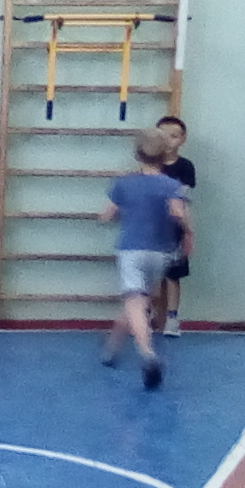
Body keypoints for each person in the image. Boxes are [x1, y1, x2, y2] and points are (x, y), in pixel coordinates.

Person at [100, 127, 193, 390]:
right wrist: (188, 233)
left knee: (135, 301)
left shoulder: (125, 183)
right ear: (164, 155)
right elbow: (178, 214)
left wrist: (108, 217)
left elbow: (108, 214)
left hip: (132, 250)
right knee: (138, 302)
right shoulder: (172, 185)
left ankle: (147, 353)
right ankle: (111, 350)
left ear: (137, 154)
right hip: (160, 252)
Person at [155, 116, 196, 338]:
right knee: (149, 274)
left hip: (174, 229)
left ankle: (172, 318)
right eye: (162, 135)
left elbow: (184, 200)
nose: (167, 140)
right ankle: (145, 314)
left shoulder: (185, 166)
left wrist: (188, 230)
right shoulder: (151, 164)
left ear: (182, 139)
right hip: (151, 227)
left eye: (173, 136)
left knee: (172, 275)